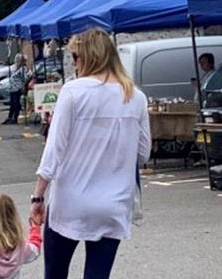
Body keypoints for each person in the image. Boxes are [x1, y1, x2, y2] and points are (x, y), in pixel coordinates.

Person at [30, 28, 151, 279]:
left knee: (55, 272)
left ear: (89, 57)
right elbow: (143, 154)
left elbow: (54, 150)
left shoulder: (73, 91)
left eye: (75, 56)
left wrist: (38, 197)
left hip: (70, 201)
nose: (73, 63)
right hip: (114, 203)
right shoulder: (136, 97)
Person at [3, 54, 28, 125]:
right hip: (12, 88)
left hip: (17, 88)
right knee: (12, 104)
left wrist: (21, 85)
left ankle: (15, 118)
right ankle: (10, 117)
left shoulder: (22, 68)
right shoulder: (16, 68)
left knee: (16, 103)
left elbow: (25, 78)